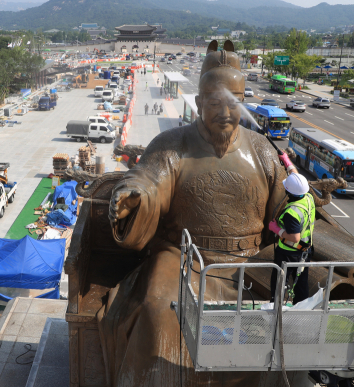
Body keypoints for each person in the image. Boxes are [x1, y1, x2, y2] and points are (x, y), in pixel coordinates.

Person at [99, 40, 288, 386]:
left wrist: (301, 205)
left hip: (249, 262)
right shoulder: (173, 145)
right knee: (159, 309)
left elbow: (283, 204)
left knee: (274, 315)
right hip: (182, 256)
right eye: (215, 103)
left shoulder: (262, 151)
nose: (225, 113)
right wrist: (135, 195)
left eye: (234, 104)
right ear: (200, 103)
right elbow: (149, 180)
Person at [268, 171, 315, 305]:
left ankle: (275, 309)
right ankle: (300, 313)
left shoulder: (292, 212)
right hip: (305, 251)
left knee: (278, 284)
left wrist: (276, 229)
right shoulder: (309, 197)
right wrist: (287, 161)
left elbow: (294, 237)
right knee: (301, 286)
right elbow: (298, 183)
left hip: (288, 253)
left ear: (288, 191)